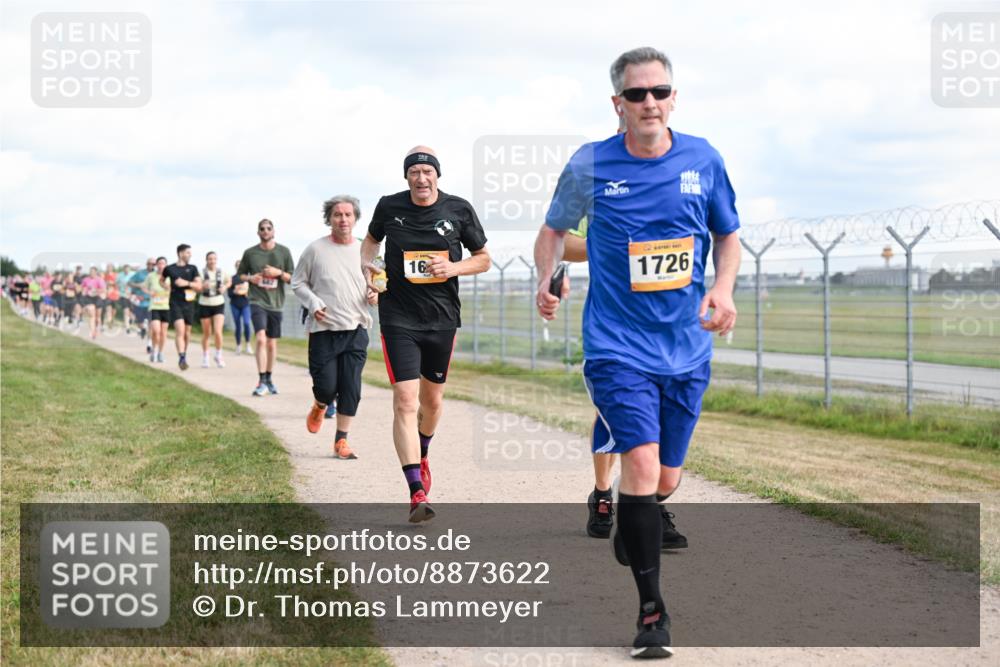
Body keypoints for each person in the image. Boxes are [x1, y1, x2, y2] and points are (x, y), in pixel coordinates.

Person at [534, 47, 741, 659]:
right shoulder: (591, 163)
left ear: (673, 98)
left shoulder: (703, 158)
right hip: (616, 346)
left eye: (659, 91)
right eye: (636, 94)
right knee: (643, 466)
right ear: (617, 104)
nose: (649, 102)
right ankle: (653, 612)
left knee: (664, 480)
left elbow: (728, 234)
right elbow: (553, 232)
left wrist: (723, 287)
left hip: (686, 347)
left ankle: (635, 517)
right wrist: (546, 276)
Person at [361, 146, 491, 523]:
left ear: (437, 176)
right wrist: (369, 268)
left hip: (441, 318)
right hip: (398, 317)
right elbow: (370, 243)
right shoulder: (389, 206)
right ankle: (416, 490)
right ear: (407, 177)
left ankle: (423, 452)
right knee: (405, 400)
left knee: (431, 403)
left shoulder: (458, 209)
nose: (421, 178)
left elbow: (484, 259)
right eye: (414, 172)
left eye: (427, 172)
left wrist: (453, 268)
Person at [293, 194, 377, 460]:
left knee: (351, 388)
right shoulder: (315, 250)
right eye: (337, 215)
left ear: (355, 218)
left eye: (348, 214)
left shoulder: (366, 251)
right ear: (329, 219)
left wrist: (375, 294)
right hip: (324, 330)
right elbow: (298, 282)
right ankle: (320, 404)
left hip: (356, 328)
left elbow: (378, 281)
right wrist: (313, 302)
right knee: (326, 388)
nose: (343, 219)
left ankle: (341, 440)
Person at [237, 219, 294, 396]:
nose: (265, 231)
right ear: (258, 232)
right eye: (262, 229)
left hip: (276, 303)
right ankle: (261, 380)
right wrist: (251, 278)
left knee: (271, 342)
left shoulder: (284, 252)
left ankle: (269, 378)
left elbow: (293, 278)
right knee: (261, 339)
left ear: (273, 231)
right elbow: (240, 274)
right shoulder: (250, 253)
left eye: (269, 228)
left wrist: (278, 273)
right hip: (257, 300)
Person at [161, 244, 202, 370]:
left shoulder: (193, 268)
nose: (190, 255)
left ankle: (184, 353)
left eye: (190, 252)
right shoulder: (169, 268)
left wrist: (186, 283)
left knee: (187, 333)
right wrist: (166, 286)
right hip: (175, 303)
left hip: (189, 303)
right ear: (180, 253)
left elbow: (199, 286)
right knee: (180, 331)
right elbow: (161, 280)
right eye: (188, 252)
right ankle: (182, 357)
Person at [198, 251, 231, 368]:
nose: (212, 261)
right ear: (206, 260)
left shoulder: (221, 272)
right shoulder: (201, 273)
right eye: (210, 259)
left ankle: (218, 355)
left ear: (216, 260)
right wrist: (202, 286)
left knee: (218, 331)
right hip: (205, 303)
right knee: (207, 333)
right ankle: (205, 357)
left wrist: (225, 287)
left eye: (214, 259)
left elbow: (229, 281)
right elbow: (196, 286)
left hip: (218, 303)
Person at [145, 256, 171, 362]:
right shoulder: (151, 276)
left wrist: (168, 289)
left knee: (163, 333)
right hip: (154, 307)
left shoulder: (170, 277)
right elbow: (144, 287)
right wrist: (149, 292)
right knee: (156, 331)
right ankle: (154, 351)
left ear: (166, 265)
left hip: (166, 307)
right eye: (159, 263)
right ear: (156, 265)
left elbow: (174, 289)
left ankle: (160, 353)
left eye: (163, 263)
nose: (161, 265)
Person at [227, 259, 252, 355]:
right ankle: (238, 346)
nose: (239, 267)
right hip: (235, 304)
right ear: (235, 267)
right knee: (238, 325)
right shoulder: (232, 278)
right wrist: (235, 291)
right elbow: (229, 294)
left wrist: (247, 293)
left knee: (246, 323)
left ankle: (248, 345)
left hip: (246, 304)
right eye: (237, 265)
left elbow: (252, 292)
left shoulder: (248, 279)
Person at [129, 259, 155, 350]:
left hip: (151, 302)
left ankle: (149, 344)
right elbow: (130, 283)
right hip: (139, 302)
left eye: (153, 264)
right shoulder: (139, 273)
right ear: (147, 264)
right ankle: (142, 328)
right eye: (150, 263)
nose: (151, 265)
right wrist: (138, 285)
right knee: (139, 322)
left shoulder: (156, 274)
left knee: (151, 324)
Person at [80, 267, 106, 340]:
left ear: (96, 272)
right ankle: (92, 331)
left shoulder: (99, 280)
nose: (91, 273)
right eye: (90, 271)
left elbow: (103, 290)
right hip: (89, 298)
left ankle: (96, 329)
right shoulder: (85, 279)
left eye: (93, 272)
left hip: (98, 298)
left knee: (98, 317)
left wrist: (96, 290)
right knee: (92, 315)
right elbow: (82, 288)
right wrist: (83, 292)